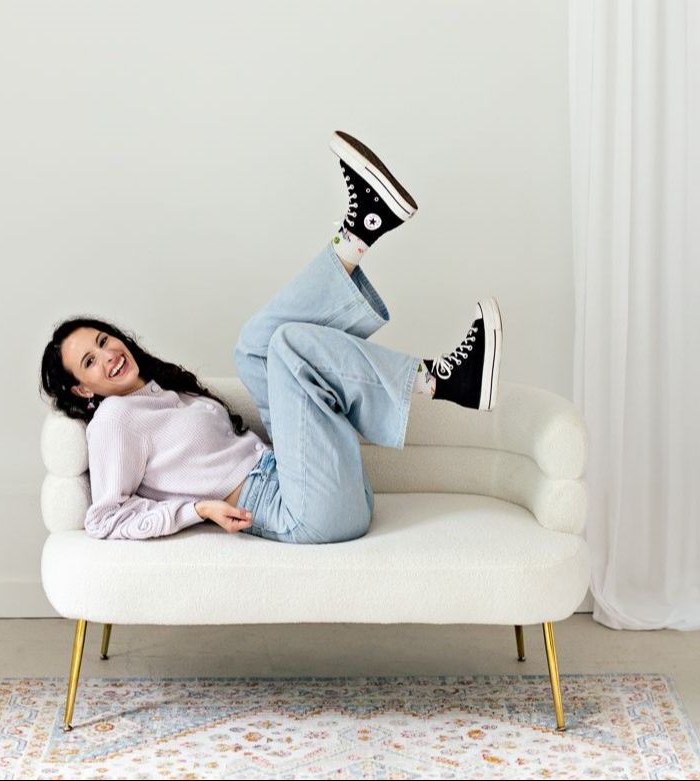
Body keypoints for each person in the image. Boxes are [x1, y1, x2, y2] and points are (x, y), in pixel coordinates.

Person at [39, 130, 502, 544]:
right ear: (82, 389)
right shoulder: (114, 419)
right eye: (89, 362)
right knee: (286, 347)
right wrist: (196, 510)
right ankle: (441, 381)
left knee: (254, 346)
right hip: (303, 512)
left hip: (308, 482)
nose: (107, 355)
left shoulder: (162, 393)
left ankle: (362, 230)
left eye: (102, 341)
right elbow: (105, 519)